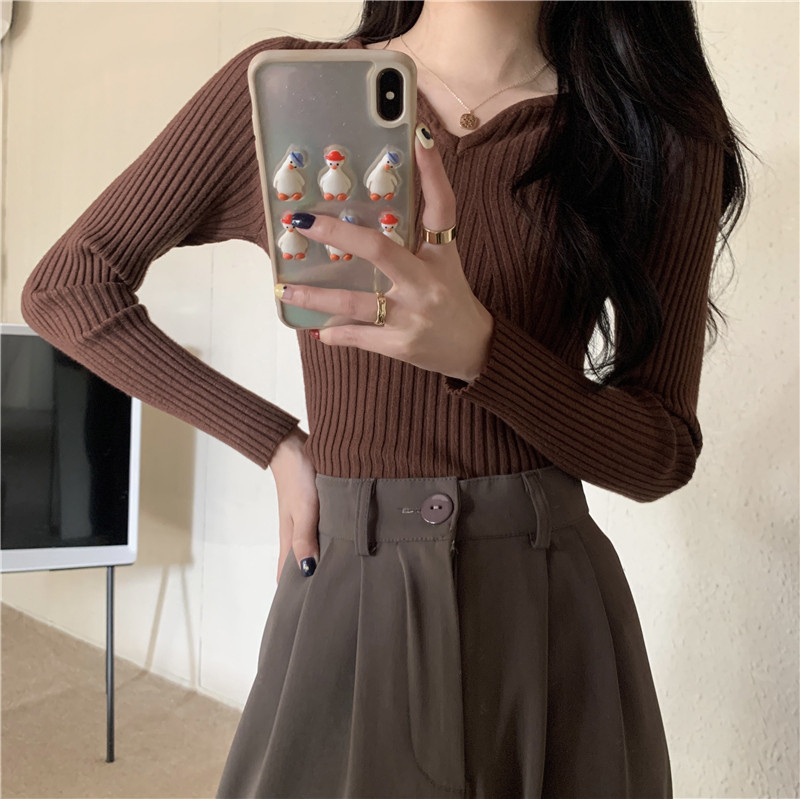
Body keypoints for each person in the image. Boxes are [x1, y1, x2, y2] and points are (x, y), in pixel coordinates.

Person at [21, 1, 750, 797]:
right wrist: (276, 443)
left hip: (546, 613)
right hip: (349, 586)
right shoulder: (293, 94)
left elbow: (660, 451)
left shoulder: (650, 131)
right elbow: (69, 287)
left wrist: (481, 350)